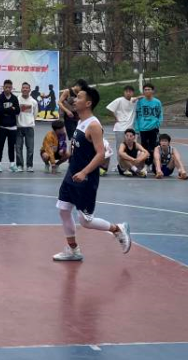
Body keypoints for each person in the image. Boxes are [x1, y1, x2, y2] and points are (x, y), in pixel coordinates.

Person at [53, 86, 131, 262]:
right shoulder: (80, 122)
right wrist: (65, 158)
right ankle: (73, 250)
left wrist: (84, 172)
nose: (74, 100)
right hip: (72, 174)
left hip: (85, 178)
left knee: (85, 221)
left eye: (79, 97)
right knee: (63, 210)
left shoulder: (94, 125)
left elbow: (101, 154)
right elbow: (78, 148)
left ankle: (118, 229)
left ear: (88, 103)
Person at [106, 86, 138, 170]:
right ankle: (120, 166)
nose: (128, 93)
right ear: (124, 92)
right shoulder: (119, 100)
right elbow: (109, 108)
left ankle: (128, 165)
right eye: (126, 91)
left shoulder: (134, 100)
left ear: (133, 93)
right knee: (120, 148)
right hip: (120, 128)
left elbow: (143, 96)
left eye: (130, 91)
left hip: (130, 128)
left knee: (130, 147)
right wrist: (115, 117)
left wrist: (137, 98)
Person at [133, 83, 162, 171]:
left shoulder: (157, 102)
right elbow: (137, 115)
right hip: (143, 128)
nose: (147, 91)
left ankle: (151, 164)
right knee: (144, 148)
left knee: (153, 147)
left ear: (153, 91)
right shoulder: (140, 102)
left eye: (149, 89)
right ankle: (145, 164)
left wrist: (158, 123)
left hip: (153, 128)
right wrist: (137, 128)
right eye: (145, 90)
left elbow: (160, 114)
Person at [0, 79, 20, 172]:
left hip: (12, 127)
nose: (7, 89)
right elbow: (0, 111)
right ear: (3, 87)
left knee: (11, 146)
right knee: (0, 146)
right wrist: (11, 109)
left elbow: (17, 110)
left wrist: (8, 110)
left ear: (11, 88)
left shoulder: (14, 98)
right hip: (2, 126)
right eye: (6, 87)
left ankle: (12, 164)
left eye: (9, 87)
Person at [16, 81, 38, 173]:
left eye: (27, 88)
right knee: (18, 148)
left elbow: (35, 115)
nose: (25, 89)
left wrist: (30, 122)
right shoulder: (16, 100)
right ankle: (19, 165)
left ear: (29, 90)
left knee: (30, 148)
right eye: (23, 88)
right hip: (18, 127)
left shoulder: (34, 102)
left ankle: (29, 166)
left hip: (29, 127)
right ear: (21, 89)